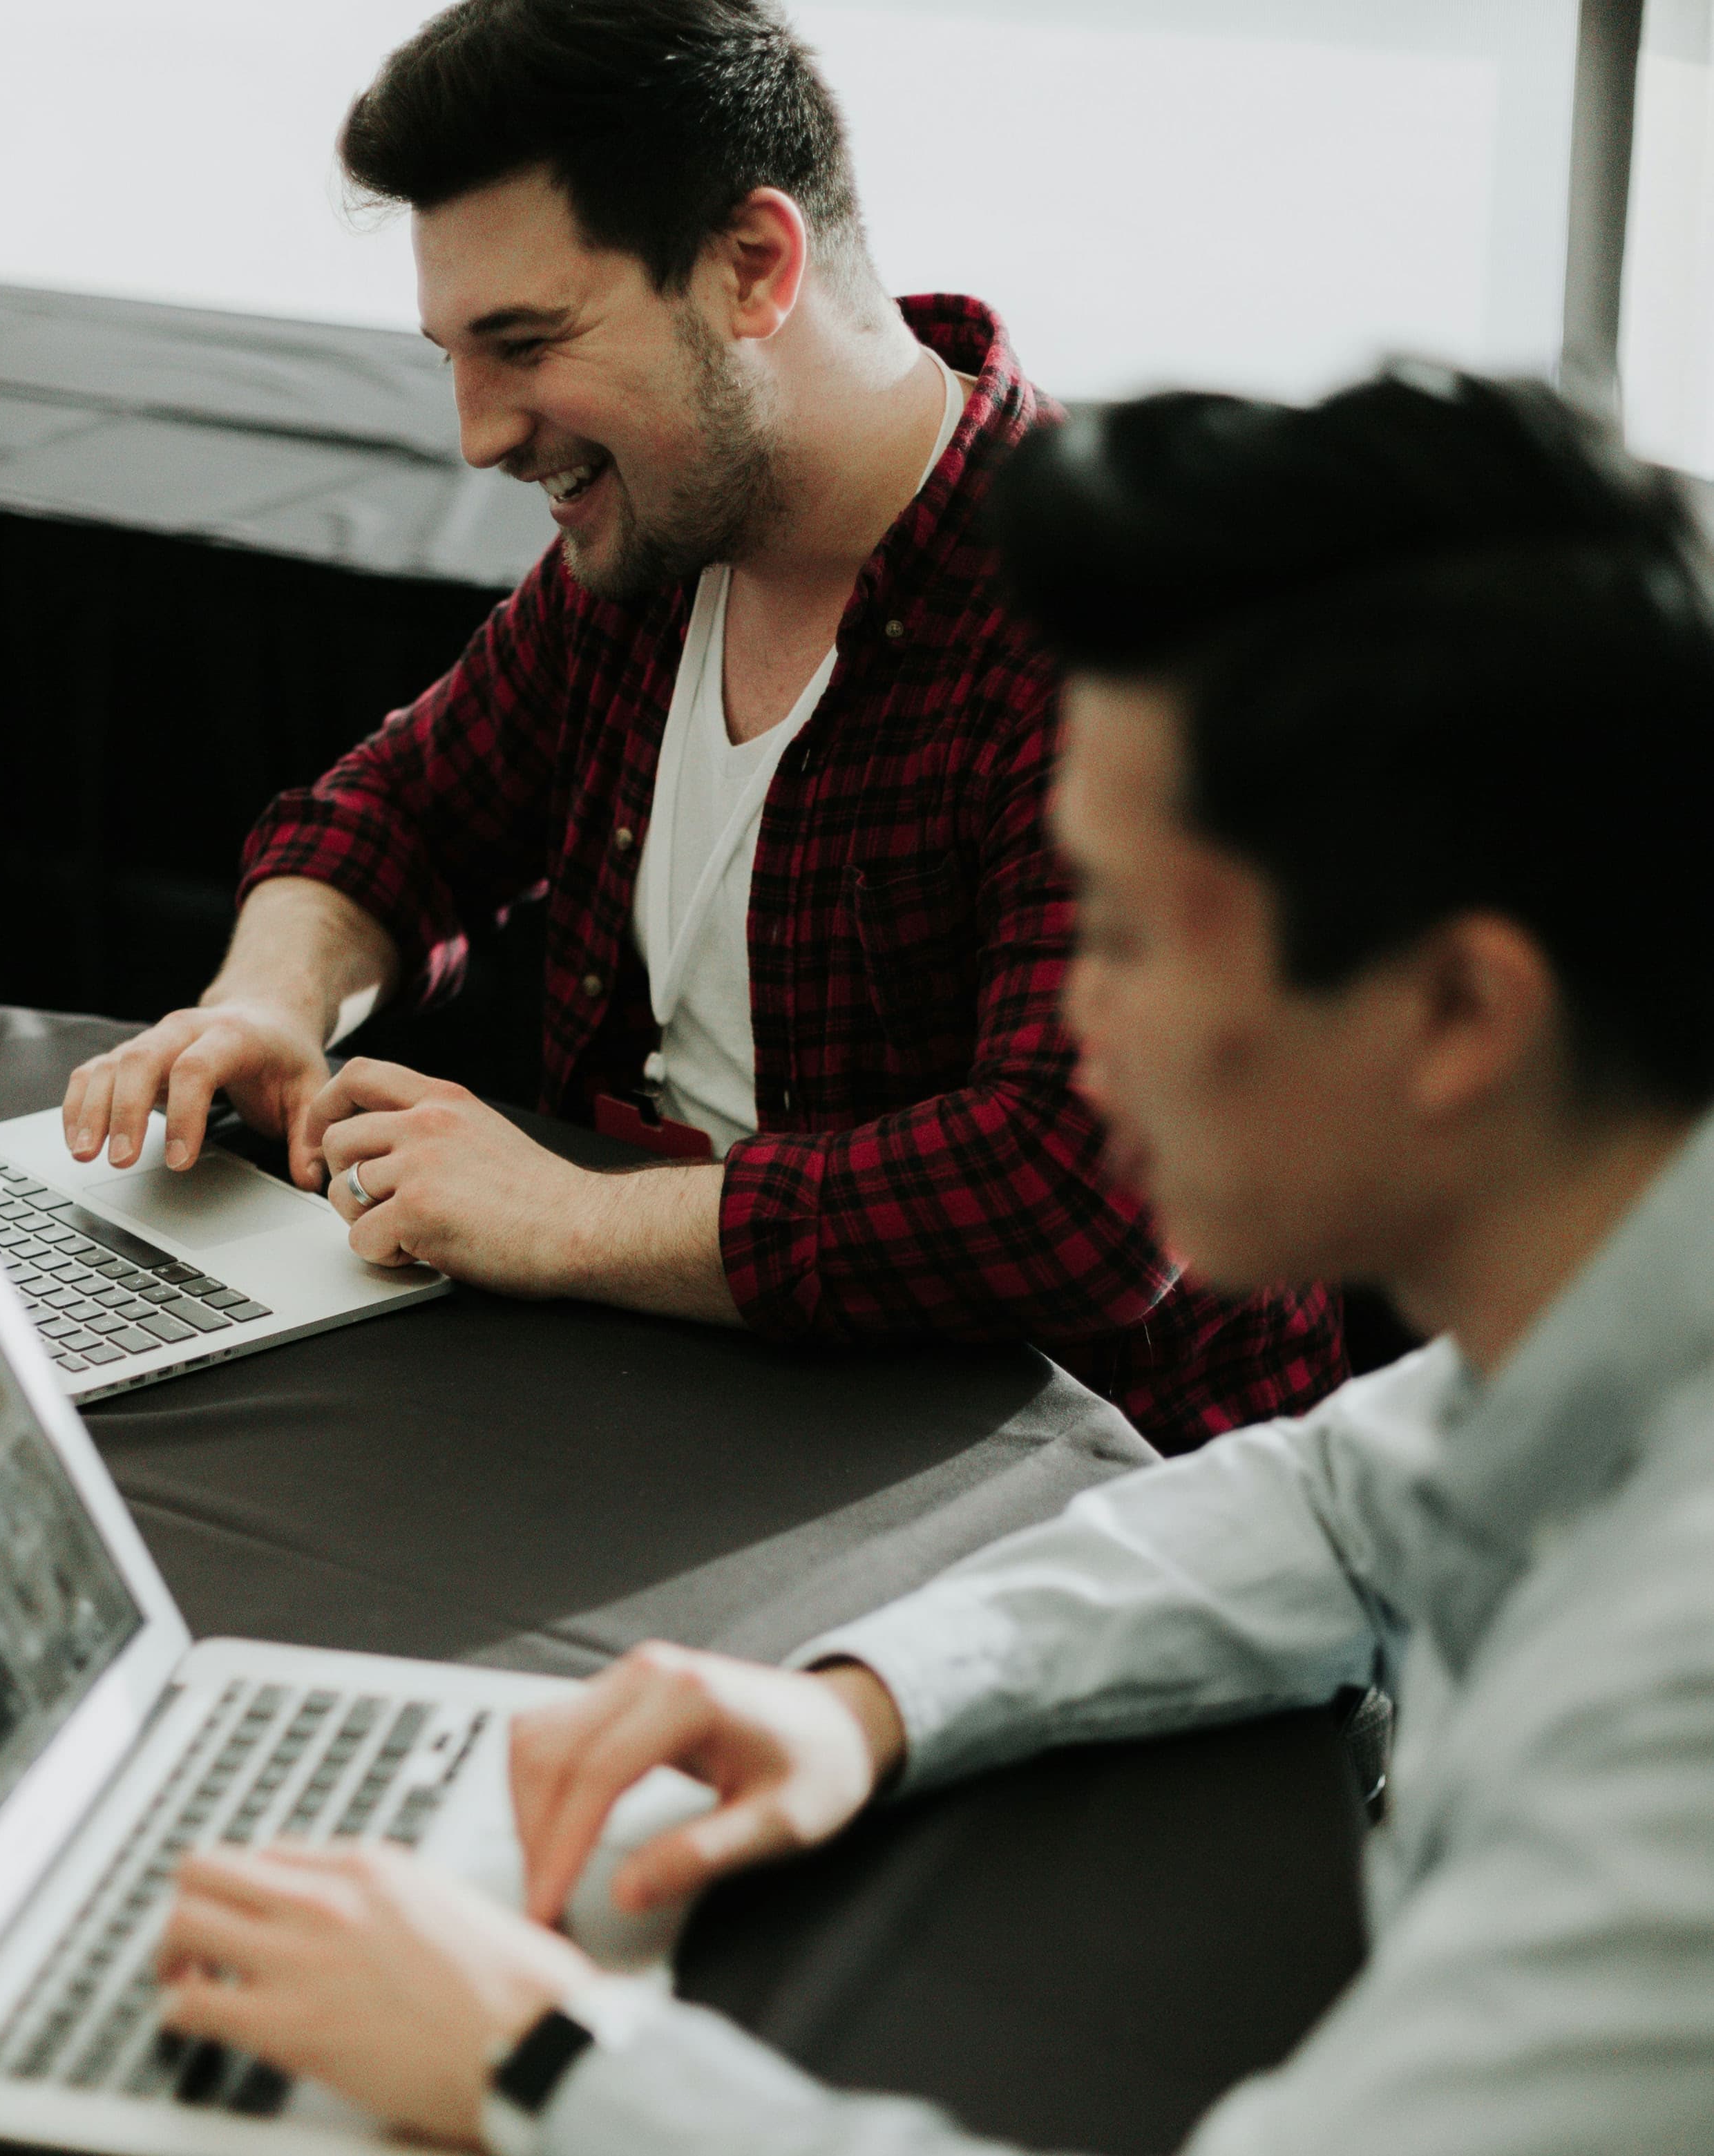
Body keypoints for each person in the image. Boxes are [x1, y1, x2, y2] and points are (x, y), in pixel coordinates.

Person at [152, 365, 1714, 2154]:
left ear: (1457, 1012)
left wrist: (542, 2060)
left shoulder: (1674, 1732)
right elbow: (1346, 1503)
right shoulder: (1611, 1298)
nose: (1073, 1021)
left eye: (1119, 930)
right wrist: (863, 1700)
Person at [57, 0, 1342, 1452]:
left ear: (752, 269)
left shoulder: (1123, 627)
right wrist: (266, 1002)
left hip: (1063, 1494)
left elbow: (1080, 1196)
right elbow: (400, 812)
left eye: (525, 342)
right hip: (684, 1398)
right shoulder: (657, 545)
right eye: (452, 356)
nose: (477, 433)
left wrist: (574, 1220)